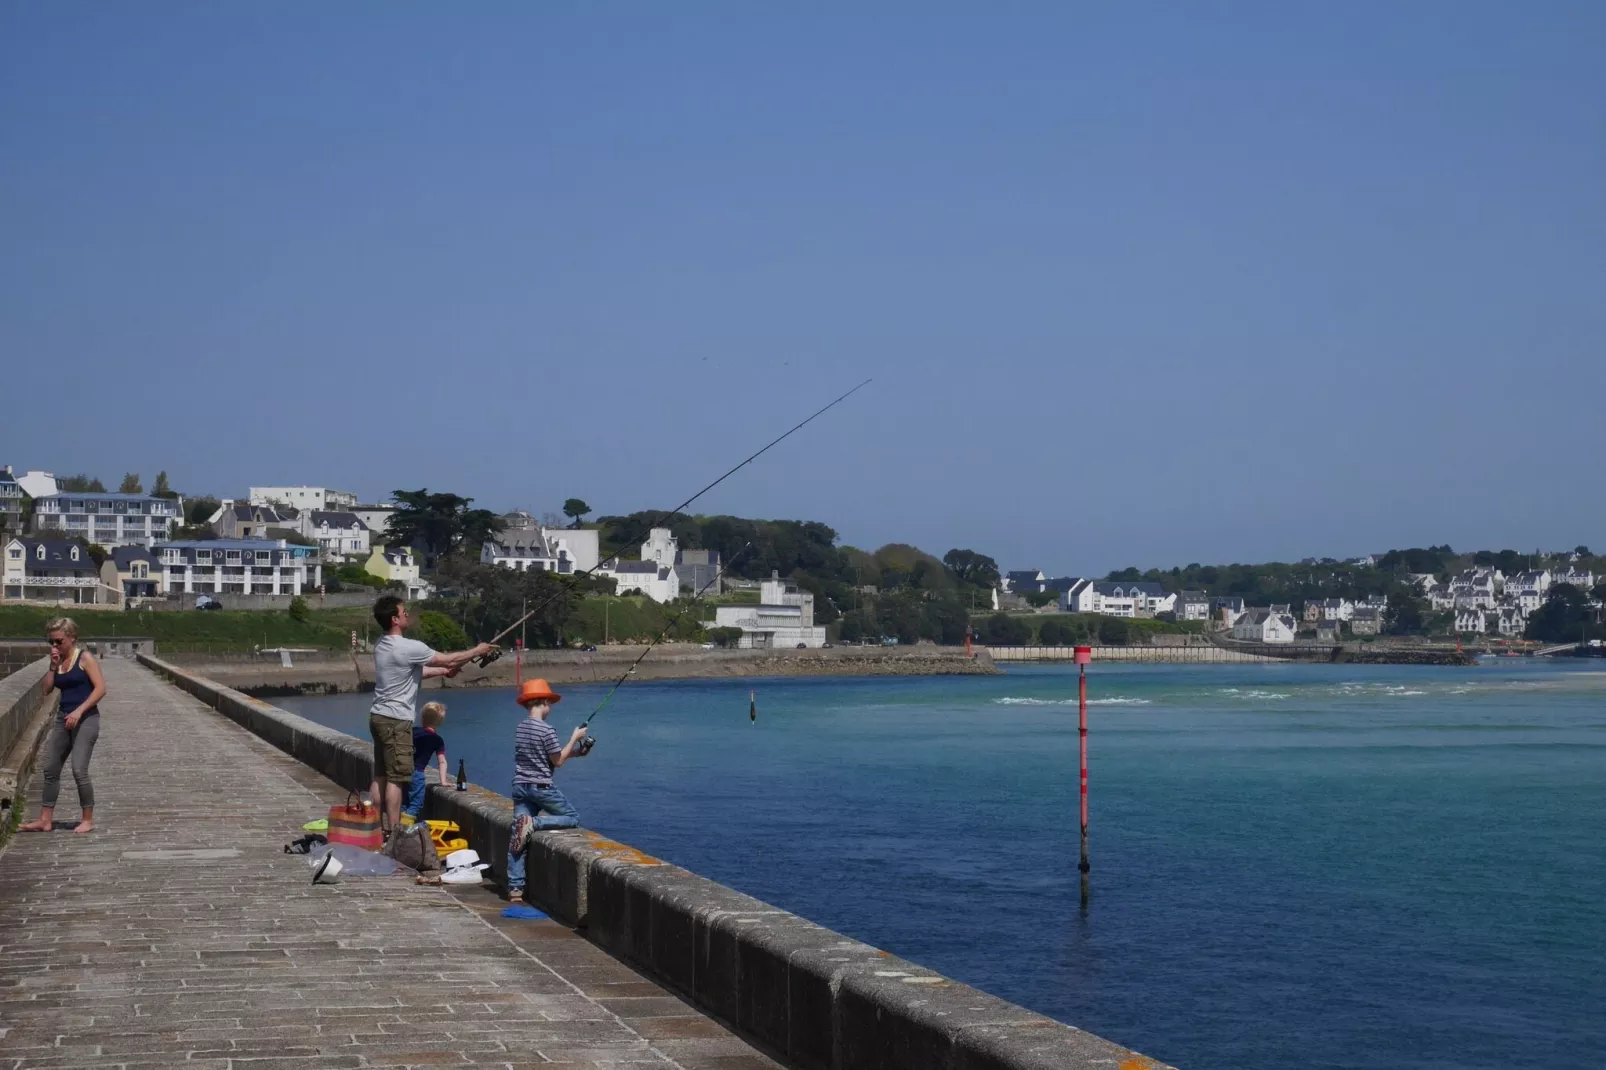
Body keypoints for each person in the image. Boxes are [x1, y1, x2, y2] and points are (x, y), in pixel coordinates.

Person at [368, 595, 496, 836]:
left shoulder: (381, 644)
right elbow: (450, 658)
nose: (407, 614)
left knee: (380, 775)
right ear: (395, 619)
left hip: (378, 716)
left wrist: (443, 672)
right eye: (403, 612)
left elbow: (413, 671)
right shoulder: (409, 646)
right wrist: (478, 650)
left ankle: (374, 828)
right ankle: (395, 834)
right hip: (396, 720)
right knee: (396, 779)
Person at [20, 618, 106, 834]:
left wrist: (79, 711)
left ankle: (87, 819)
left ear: (72, 638)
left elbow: (101, 689)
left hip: (86, 718)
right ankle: (44, 820)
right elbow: (47, 689)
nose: (54, 646)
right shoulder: (57, 662)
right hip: (63, 718)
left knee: (79, 769)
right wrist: (52, 666)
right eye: (51, 642)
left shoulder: (84, 658)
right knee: (50, 769)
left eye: (59, 641)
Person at [505, 677, 587, 905]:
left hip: (520, 786)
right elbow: (557, 761)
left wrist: (576, 752)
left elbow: (545, 757)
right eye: (549, 703)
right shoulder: (547, 730)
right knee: (572, 817)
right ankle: (534, 824)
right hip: (541, 787)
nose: (550, 708)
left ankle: (515, 889)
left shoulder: (521, 728)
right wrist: (574, 738)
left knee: (517, 839)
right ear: (542, 702)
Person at [404, 701, 450, 822]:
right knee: (415, 804)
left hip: (403, 770)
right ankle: (405, 830)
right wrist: (443, 781)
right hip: (417, 773)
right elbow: (442, 762)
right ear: (440, 722)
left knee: (404, 802)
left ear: (422, 717)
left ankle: (397, 827)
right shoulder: (437, 740)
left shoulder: (413, 731)